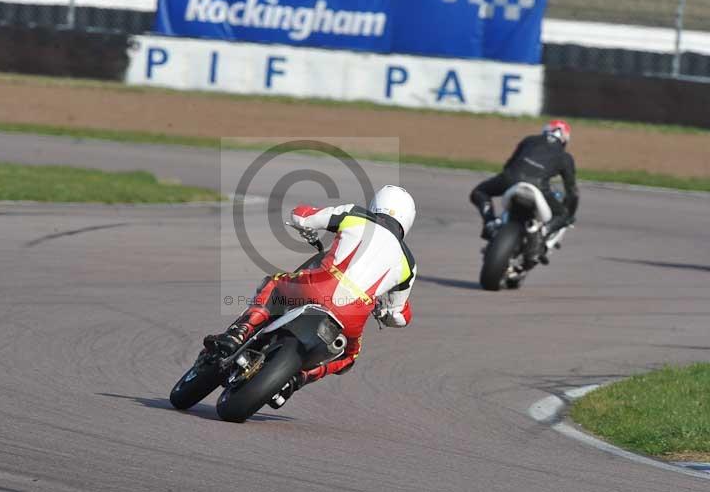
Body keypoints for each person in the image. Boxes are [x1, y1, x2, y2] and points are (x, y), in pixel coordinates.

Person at [204, 185, 417, 405]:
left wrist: (307, 229)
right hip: (352, 314)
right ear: (407, 221)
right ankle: (298, 379)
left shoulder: (355, 214)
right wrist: (384, 312)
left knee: (275, 283)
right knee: (348, 356)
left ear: (376, 204)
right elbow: (399, 316)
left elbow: (302, 216)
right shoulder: (409, 264)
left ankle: (240, 331)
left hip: (317, 287)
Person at [470, 119, 579, 251]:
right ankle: (543, 232)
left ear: (545, 131)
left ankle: (490, 223)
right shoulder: (565, 157)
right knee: (563, 215)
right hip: (540, 187)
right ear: (565, 140)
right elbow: (572, 192)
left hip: (511, 179)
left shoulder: (529, 140)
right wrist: (569, 215)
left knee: (480, 192)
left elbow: (508, 165)